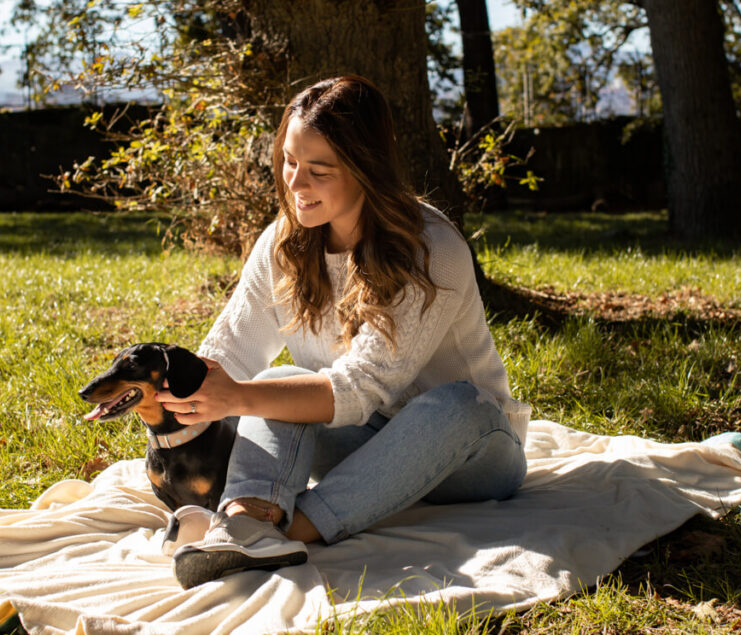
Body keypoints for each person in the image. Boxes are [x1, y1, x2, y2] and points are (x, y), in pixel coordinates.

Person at [157, 75, 530, 589]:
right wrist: (175, 408)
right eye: (289, 160)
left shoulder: (430, 250)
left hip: (470, 455)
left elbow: (363, 388)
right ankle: (249, 524)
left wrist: (238, 397)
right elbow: (231, 349)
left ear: (364, 169)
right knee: (280, 378)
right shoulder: (286, 241)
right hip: (358, 444)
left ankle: (292, 527)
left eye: (319, 170)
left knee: (456, 404)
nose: (295, 182)